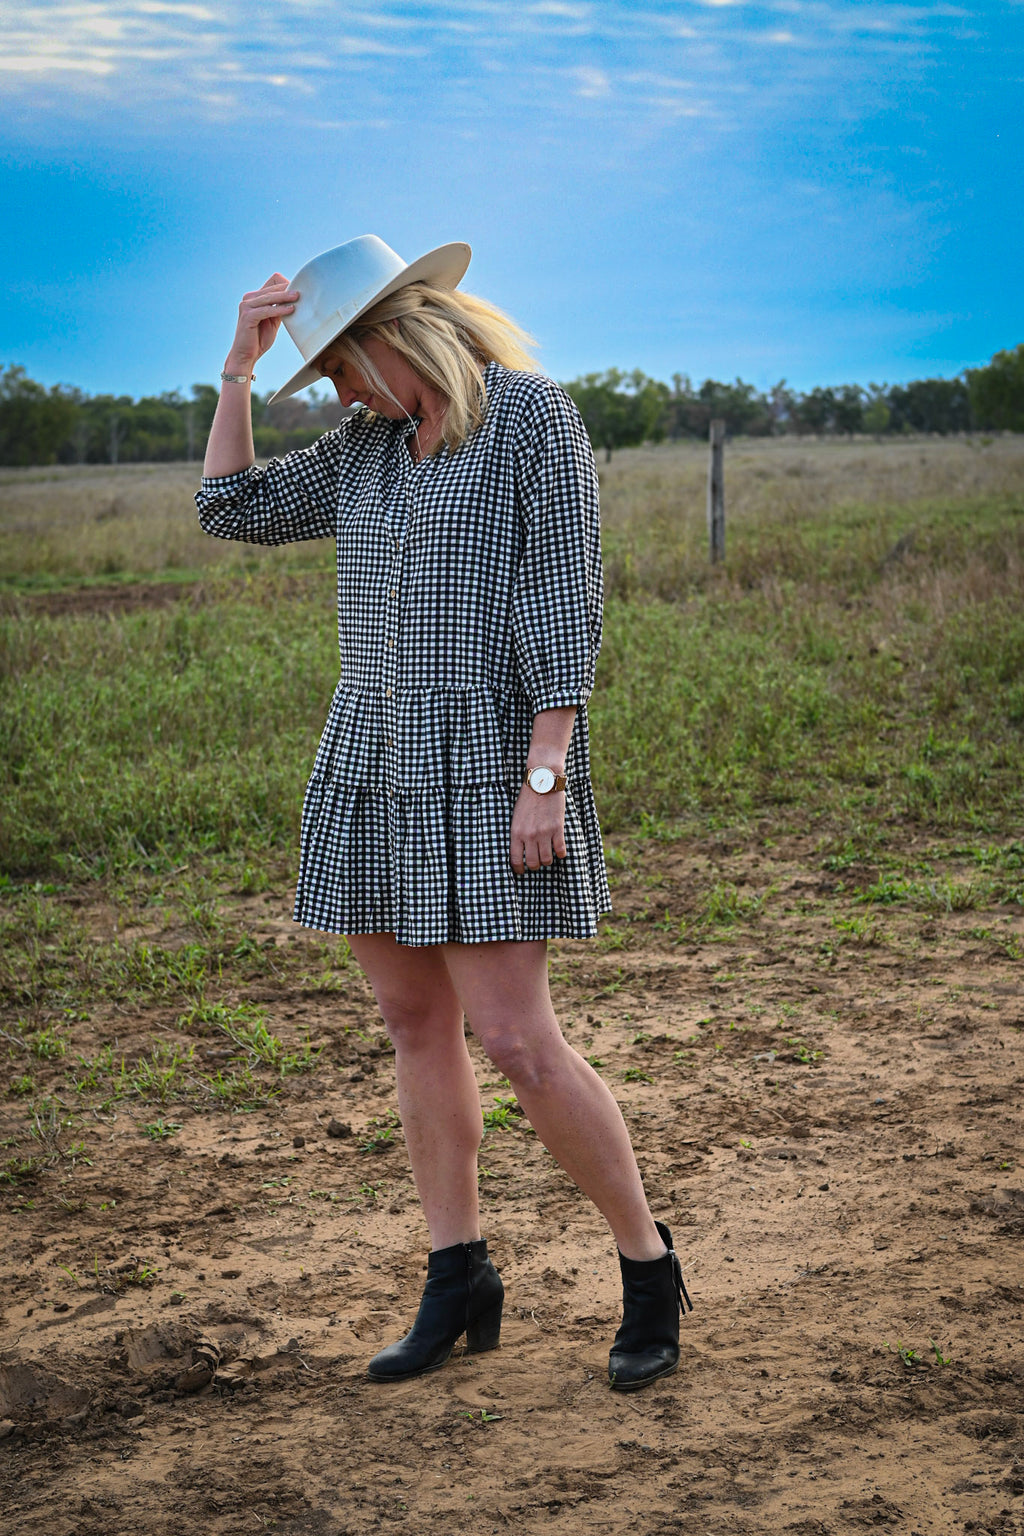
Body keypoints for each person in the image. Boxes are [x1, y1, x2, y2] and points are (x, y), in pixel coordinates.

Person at [196, 234, 692, 1391]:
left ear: (394, 336)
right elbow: (228, 508)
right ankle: (456, 1272)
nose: (336, 391)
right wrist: (236, 369)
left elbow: (564, 593)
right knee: (413, 1025)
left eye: (339, 366)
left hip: (490, 758)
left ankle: (646, 1262)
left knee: (518, 1039)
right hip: (371, 756)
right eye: (320, 377)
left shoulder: (531, 419)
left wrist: (546, 772)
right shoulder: (363, 450)